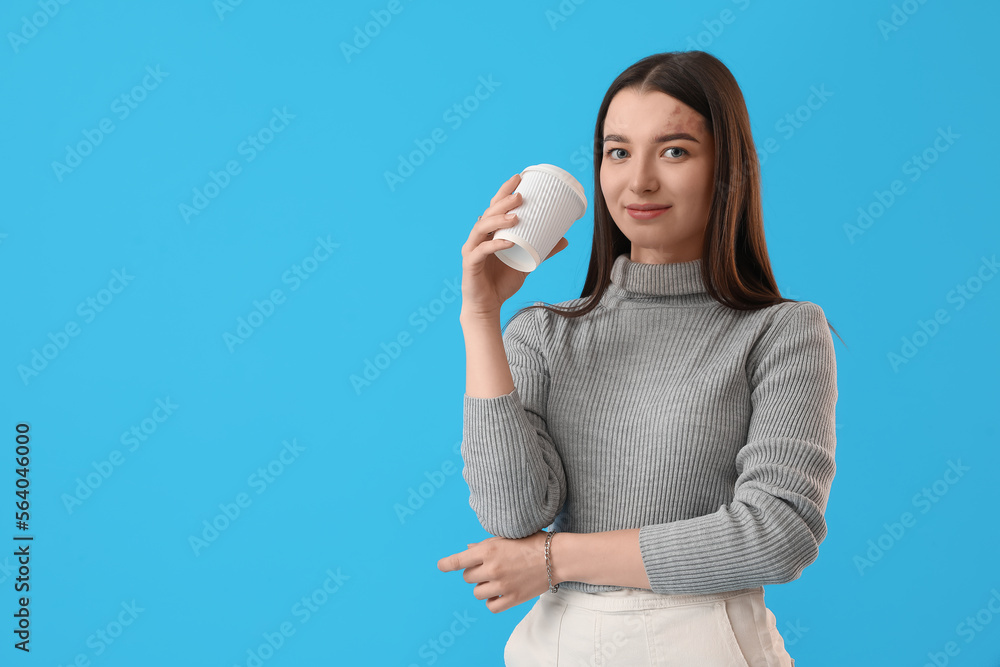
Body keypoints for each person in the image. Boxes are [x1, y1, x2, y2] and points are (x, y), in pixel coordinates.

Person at [437, 50, 840, 666]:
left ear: (725, 168)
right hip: (561, 646)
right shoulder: (542, 334)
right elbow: (512, 512)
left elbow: (775, 536)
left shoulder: (780, 332)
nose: (640, 181)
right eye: (618, 151)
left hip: (705, 644)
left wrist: (553, 559)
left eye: (675, 150)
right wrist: (481, 317)